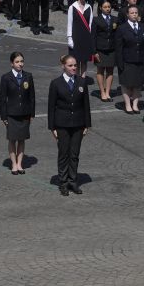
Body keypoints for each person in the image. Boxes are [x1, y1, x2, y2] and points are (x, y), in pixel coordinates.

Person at [49, 55, 92, 195]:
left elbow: (86, 104)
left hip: (78, 123)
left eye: (75, 65)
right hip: (62, 124)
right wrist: (52, 127)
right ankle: (63, 182)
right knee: (63, 154)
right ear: (63, 66)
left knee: (74, 154)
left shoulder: (81, 82)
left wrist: (87, 124)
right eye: (70, 65)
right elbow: (51, 107)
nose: (74, 68)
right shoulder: (56, 83)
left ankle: (73, 181)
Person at [0, 52, 35, 175]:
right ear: (12, 64)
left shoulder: (28, 76)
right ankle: (13, 164)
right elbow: (2, 98)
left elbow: (32, 97)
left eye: (21, 61)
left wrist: (32, 114)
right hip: (12, 114)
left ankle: (20, 163)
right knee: (12, 139)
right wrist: (3, 116)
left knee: (22, 139)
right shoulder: (6, 77)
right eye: (17, 62)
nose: (20, 64)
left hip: (24, 113)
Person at [114, 5, 144, 114]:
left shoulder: (143, 27)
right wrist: (119, 63)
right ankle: (127, 104)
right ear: (127, 14)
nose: (134, 15)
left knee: (138, 84)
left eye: (136, 13)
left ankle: (135, 104)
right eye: (132, 13)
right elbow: (118, 48)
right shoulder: (122, 28)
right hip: (127, 61)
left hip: (140, 61)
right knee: (126, 84)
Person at [91, 0, 118, 103]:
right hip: (100, 50)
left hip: (111, 49)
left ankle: (108, 92)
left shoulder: (115, 19)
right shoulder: (96, 20)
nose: (108, 9)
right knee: (100, 70)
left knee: (110, 71)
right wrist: (94, 52)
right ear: (101, 8)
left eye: (109, 7)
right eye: (105, 7)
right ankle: (102, 92)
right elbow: (92, 37)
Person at [66, 0, 94, 78]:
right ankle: (76, 78)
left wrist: (91, 37)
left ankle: (83, 78)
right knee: (76, 60)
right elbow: (69, 23)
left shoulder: (89, 7)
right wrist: (69, 38)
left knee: (84, 60)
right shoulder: (72, 7)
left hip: (86, 36)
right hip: (75, 36)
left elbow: (90, 23)